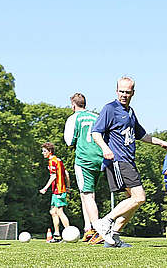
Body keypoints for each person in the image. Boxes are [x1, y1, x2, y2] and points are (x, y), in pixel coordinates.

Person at [91, 76, 167, 248]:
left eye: (127, 92)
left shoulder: (130, 112)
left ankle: (113, 237)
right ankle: (105, 222)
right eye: (121, 91)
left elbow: (142, 135)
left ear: (133, 93)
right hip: (118, 160)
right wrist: (105, 149)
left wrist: (162, 143)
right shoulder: (110, 109)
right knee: (139, 197)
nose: (124, 95)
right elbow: (96, 132)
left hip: (129, 160)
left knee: (133, 201)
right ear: (116, 91)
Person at [63, 92, 102, 243]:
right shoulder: (96, 116)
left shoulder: (74, 118)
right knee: (90, 194)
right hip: (98, 159)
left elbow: (69, 141)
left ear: (73, 105)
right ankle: (89, 228)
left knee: (86, 195)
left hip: (84, 159)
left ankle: (96, 229)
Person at [39, 142, 70, 243]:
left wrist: (45, 188)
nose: (43, 153)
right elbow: (66, 173)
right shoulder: (58, 160)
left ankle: (70, 234)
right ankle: (57, 236)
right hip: (57, 190)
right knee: (53, 212)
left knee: (60, 212)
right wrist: (68, 186)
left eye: (44, 151)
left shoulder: (52, 161)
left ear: (50, 151)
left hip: (59, 190)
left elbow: (53, 176)